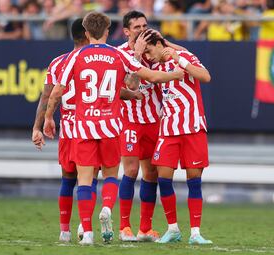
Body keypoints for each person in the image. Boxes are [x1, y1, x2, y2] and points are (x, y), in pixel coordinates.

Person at [43, 11, 184, 245]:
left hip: (84, 126)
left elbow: (57, 91)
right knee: (111, 174)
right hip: (110, 126)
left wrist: (49, 117)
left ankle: (87, 232)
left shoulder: (75, 57)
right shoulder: (118, 55)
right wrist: (174, 75)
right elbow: (150, 76)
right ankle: (108, 207)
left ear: (86, 33)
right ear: (108, 32)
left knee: (85, 180)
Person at [117, 10, 186, 242]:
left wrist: (165, 43)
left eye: (145, 25)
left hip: (155, 121)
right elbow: (131, 87)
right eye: (137, 27)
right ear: (126, 31)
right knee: (131, 170)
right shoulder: (120, 54)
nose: (142, 30)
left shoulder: (156, 50)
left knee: (151, 173)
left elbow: (187, 56)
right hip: (130, 121)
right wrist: (136, 54)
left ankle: (145, 228)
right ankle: (124, 227)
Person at [142, 31, 212, 244]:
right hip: (169, 129)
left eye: (149, 50)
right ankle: (173, 228)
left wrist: (178, 57)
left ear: (158, 44)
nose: (148, 55)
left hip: (192, 126)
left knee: (194, 180)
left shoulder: (186, 57)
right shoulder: (154, 69)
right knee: (163, 178)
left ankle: (195, 233)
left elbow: (206, 77)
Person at [31, 18, 96, 243]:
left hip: (68, 130)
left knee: (67, 181)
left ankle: (65, 231)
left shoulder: (58, 62)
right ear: (89, 34)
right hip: (90, 128)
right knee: (90, 180)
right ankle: (85, 226)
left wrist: (37, 127)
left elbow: (47, 96)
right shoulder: (97, 59)